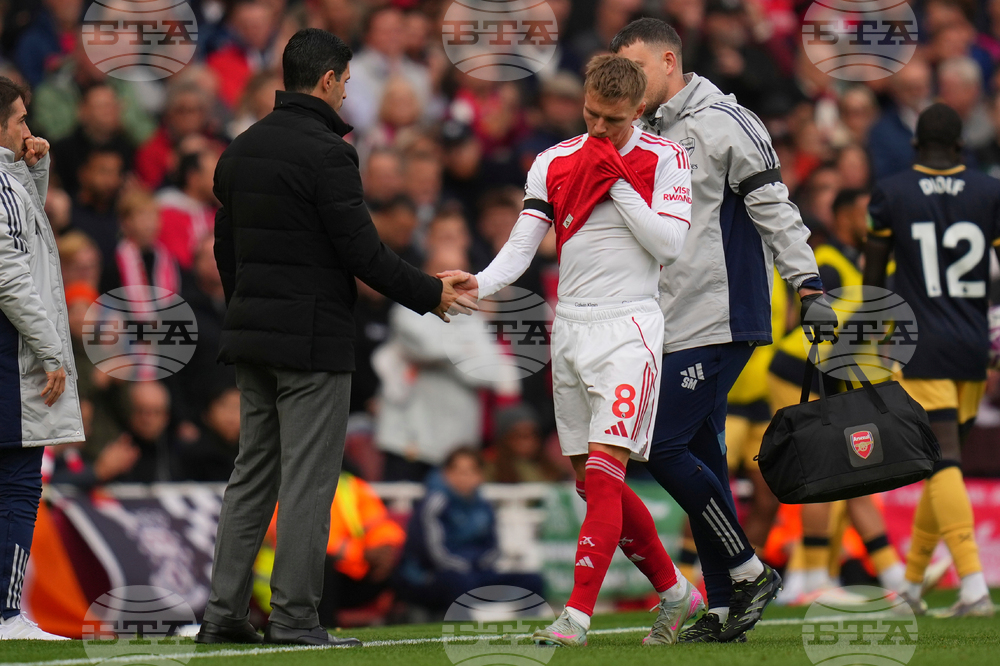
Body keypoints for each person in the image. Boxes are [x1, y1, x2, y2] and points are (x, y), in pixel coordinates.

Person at [197, 29, 473, 647]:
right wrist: (432, 294)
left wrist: (251, 310)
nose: (349, 91)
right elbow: (363, 253)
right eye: (346, 81)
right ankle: (294, 617)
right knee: (307, 481)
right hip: (313, 343)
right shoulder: (328, 154)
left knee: (252, 476)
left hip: (252, 339)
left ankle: (223, 614)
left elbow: (226, 251)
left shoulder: (239, 150)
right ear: (327, 80)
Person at [445, 54, 699, 647]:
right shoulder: (553, 161)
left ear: (639, 110)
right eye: (590, 114)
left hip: (629, 328)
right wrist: (478, 282)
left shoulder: (667, 159)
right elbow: (522, 247)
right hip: (573, 328)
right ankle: (676, 591)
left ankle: (576, 617)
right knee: (589, 482)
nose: (598, 129)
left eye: (612, 119)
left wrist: (617, 180)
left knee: (607, 476)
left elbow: (672, 244)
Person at [612, 18, 834, 642]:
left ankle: (749, 568)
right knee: (701, 453)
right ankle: (720, 604)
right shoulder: (646, 131)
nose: (627, 83)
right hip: (672, 320)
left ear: (667, 61)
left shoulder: (726, 122)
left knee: (661, 445)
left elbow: (776, 209)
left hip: (723, 314)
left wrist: (808, 284)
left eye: (634, 69)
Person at [864, 103, 998, 617]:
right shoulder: (990, 192)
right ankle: (914, 588)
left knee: (942, 465)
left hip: (918, 343)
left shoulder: (892, 192)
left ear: (917, 145)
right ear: (962, 146)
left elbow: (874, 276)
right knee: (945, 468)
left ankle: (973, 588)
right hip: (972, 344)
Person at [0, 76, 82, 640]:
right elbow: (10, 275)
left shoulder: (9, 179)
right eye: (20, 119)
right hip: (10, 352)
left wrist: (33, 169)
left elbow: (28, 235)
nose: (30, 129)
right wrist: (53, 350)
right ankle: (6, 614)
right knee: (20, 482)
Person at [397, 448, 545, 615]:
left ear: (480, 475)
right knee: (458, 583)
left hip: (476, 573)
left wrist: (477, 566)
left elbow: (493, 547)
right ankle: (463, 634)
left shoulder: (484, 505)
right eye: (458, 471)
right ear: (446, 474)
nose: (464, 478)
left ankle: (527, 634)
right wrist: (466, 567)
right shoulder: (434, 504)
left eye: (470, 471)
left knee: (532, 581)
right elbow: (434, 554)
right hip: (429, 577)